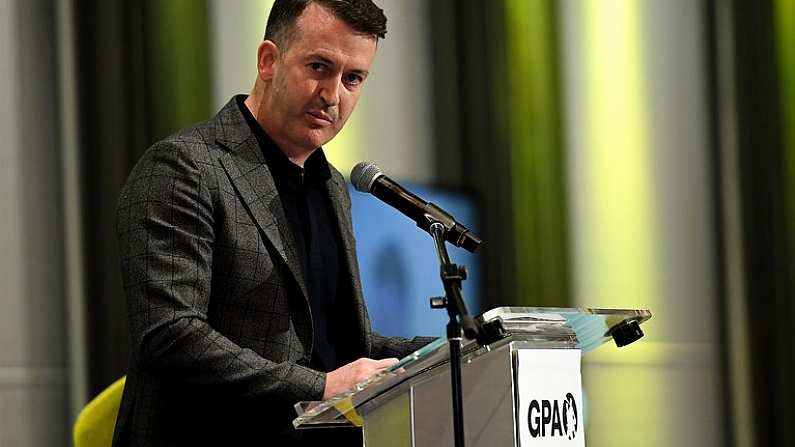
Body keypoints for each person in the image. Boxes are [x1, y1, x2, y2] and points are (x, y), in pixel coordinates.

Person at [112, 0, 433, 445]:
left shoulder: (331, 186)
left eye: (353, 78)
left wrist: (445, 353)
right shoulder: (184, 168)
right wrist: (321, 386)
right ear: (268, 60)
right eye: (319, 66)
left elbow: (332, 341)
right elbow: (170, 336)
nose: (333, 94)